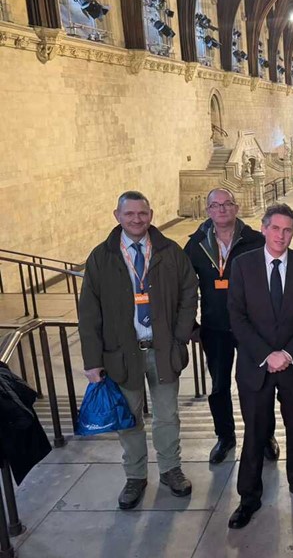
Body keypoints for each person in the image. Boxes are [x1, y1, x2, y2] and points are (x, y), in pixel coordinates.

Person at [79, 191, 198, 510]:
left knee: (167, 416)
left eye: (142, 213)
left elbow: (189, 290)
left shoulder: (169, 251)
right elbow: (89, 311)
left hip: (162, 349)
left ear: (151, 214)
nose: (136, 219)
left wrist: (180, 335)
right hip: (120, 353)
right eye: (129, 214)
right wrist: (92, 361)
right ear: (116, 215)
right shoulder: (101, 257)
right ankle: (135, 476)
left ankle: (171, 469)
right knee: (129, 418)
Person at [227, 204, 293, 529]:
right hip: (256, 367)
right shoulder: (242, 266)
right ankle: (248, 497)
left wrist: (288, 354)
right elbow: (237, 318)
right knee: (254, 433)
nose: (281, 236)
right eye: (276, 228)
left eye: (288, 230)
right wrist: (267, 355)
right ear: (264, 228)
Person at [184, 189, 268, 465]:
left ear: (236, 207)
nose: (222, 209)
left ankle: (264, 435)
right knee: (219, 386)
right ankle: (225, 437)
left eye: (227, 204)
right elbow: (184, 288)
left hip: (253, 328)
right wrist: (190, 325)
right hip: (216, 327)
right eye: (215, 205)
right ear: (208, 210)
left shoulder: (255, 241)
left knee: (257, 385)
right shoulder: (196, 245)